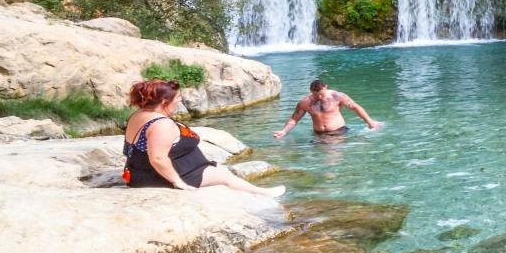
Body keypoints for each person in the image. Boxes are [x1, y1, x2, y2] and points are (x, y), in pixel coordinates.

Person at [123, 79, 281, 195]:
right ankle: (263, 193)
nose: (180, 101)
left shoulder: (139, 114)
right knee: (225, 177)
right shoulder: (161, 124)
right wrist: (178, 182)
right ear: (164, 102)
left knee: (220, 169)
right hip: (156, 177)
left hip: (141, 172)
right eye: (178, 98)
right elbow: (158, 159)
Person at [275, 78, 381, 140]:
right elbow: (295, 118)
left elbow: (355, 107)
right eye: (315, 95)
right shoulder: (305, 102)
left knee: (331, 158)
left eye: (321, 94)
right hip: (318, 135)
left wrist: (370, 122)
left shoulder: (337, 96)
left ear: (325, 87)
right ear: (311, 91)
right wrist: (284, 131)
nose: (319, 97)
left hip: (338, 132)